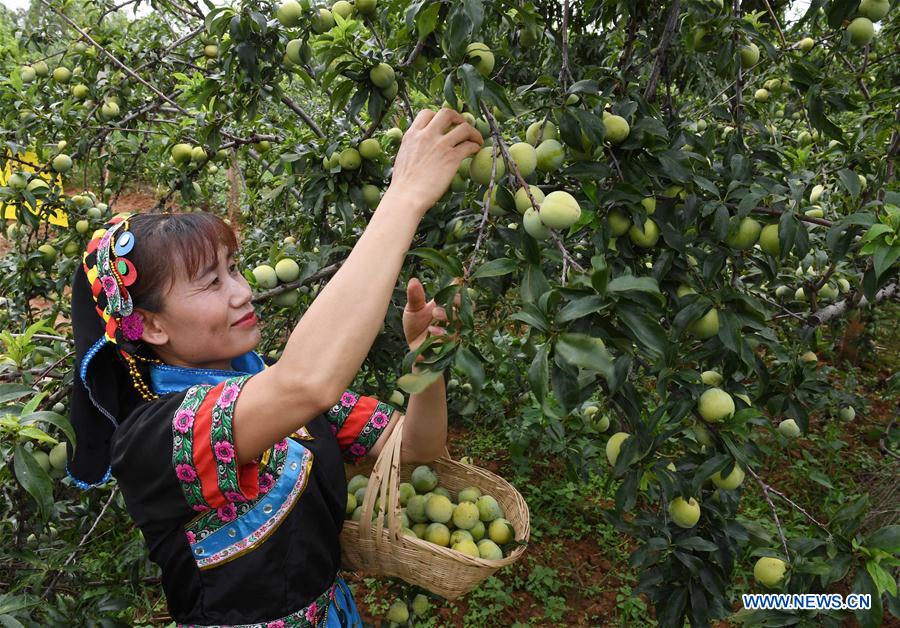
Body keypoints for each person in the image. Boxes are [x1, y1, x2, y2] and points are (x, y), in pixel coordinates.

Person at [65, 108, 484, 627]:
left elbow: (417, 452)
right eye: (211, 282)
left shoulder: (268, 392)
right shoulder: (154, 435)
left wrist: (427, 362)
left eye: (234, 269)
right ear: (151, 326)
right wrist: (405, 196)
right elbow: (307, 380)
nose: (243, 292)